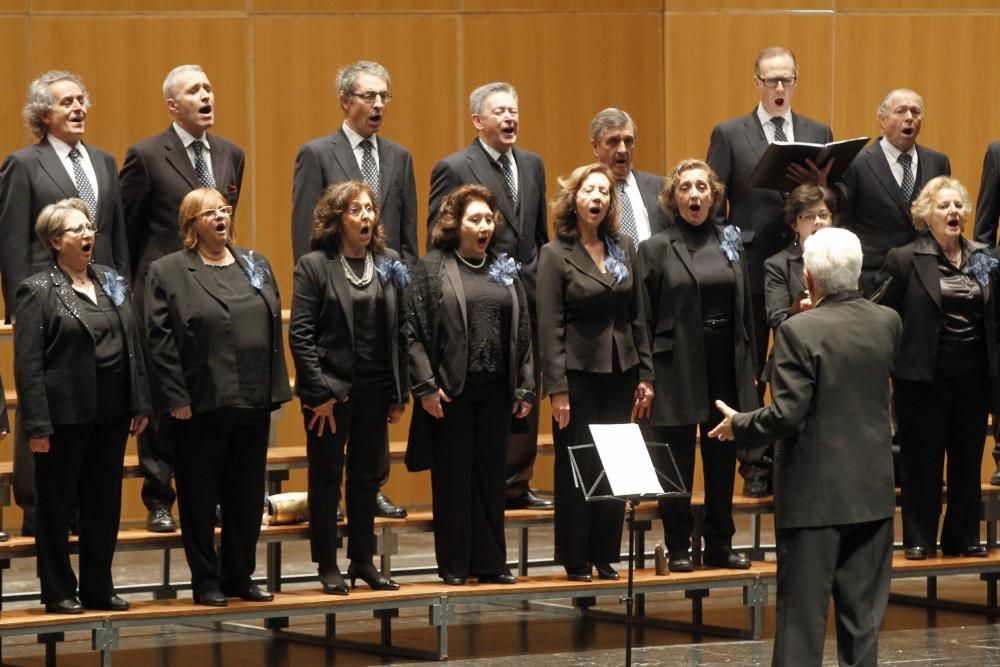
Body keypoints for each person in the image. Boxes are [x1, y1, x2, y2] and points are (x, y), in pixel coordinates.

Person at [710, 227, 901, 667]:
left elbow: (786, 415)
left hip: (814, 501)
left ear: (809, 279)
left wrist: (739, 424)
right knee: (862, 623)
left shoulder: (799, 330)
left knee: (801, 621)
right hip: (871, 493)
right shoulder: (887, 322)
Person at [145, 188, 292, 606]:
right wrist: (175, 395)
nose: (221, 218)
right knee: (199, 495)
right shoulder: (169, 270)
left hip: (253, 397)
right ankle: (205, 579)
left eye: (224, 211)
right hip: (200, 402)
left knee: (245, 495)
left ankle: (239, 575)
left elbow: (270, 319)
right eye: (210, 213)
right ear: (192, 224)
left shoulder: (255, 263)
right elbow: (158, 340)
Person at [0, 70, 130, 538]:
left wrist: (123, 300)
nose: (78, 108)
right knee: (46, 402)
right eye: (66, 102)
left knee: (95, 403)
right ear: (43, 115)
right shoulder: (24, 163)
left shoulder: (104, 161)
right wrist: (21, 308)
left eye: (82, 99)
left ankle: (82, 506)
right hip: (48, 305)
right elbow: (14, 242)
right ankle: (39, 507)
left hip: (102, 299)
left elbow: (114, 238)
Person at [120, 64, 246, 534]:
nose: (206, 96)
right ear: (173, 105)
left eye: (209, 88)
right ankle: (158, 497)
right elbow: (127, 229)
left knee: (207, 395)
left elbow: (225, 227)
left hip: (213, 293)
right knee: (162, 395)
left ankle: (205, 494)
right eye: (195, 91)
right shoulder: (147, 155)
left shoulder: (232, 153)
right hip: (160, 291)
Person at [291, 60, 417, 520]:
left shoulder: (400, 157)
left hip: (383, 292)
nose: (379, 104)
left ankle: (373, 488)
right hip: (335, 297)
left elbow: (404, 237)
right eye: (369, 96)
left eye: (384, 96)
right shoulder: (317, 153)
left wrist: (408, 294)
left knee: (375, 406)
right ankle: (336, 503)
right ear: (345, 101)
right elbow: (307, 231)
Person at [706, 47, 833, 498]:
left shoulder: (818, 131)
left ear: (796, 81)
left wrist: (821, 181)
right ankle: (754, 463)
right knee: (753, 367)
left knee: (805, 365)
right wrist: (730, 251)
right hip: (754, 267)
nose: (779, 88)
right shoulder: (729, 133)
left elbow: (833, 197)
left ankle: (797, 454)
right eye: (771, 80)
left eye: (786, 80)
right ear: (756, 83)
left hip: (810, 267)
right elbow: (714, 202)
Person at [14, 198, 151, 614]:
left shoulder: (110, 280)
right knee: (55, 508)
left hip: (111, 413)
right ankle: (57, 589)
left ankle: (98, 586)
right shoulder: (37, 291)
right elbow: (29, 364)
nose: (89, 234)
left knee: (103, 504)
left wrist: (140, 400)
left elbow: (133, 344)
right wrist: (37, 425)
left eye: (90, 227)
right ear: (56, 241)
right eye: (78, 229)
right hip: (64, 417)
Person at [428, 82, 551, 511]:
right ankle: (484, 484)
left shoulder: (533, 164)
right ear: (478, 120)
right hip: (475, 296)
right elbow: (439, 238)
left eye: (514, 110)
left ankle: (517, 482)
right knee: (487, 394)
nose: (509, 118)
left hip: (525, 296)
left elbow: (538, 235)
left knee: (524, 387)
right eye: (499, 111)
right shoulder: (454, 166)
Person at [407, 184, 534, 585]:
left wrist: (525, 387)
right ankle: (456, 565)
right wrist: (425, 386)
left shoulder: (503, 268)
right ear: (455, 224)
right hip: (451, 393)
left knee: (490, 479)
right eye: (474, 219)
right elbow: (411, 332)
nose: (484, 227)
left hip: (496, 391)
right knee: (454, 481)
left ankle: (491, 563)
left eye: (489, 220)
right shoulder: (433, 268)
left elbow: (524, 331)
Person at [636, 159, 758, 572]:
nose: (694, 195)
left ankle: (721, 543)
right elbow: (642, 316)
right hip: (677, 363)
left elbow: (746, 310)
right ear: (673, 199)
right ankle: (679, 546)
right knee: (676, 459)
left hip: (725, 359)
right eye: (685, 188)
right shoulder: (655, 248)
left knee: (723, 456)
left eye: (702, 187)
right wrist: (646, 374)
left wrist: (751, 367)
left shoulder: (730, 240)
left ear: (714, 195)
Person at [289, 181, 408, 595]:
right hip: (330, 393)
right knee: (326, 478)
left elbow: (401, 330)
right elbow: (301, 334)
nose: (366, 217)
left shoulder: (388, 262)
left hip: (375, 389)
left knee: (364, 480)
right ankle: (327, 563)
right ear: (337, 218)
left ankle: (362, 560)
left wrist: (399, 392)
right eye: (355, 210)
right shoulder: (315, 264)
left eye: (370, 209)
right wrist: (318, 394)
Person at [537, 163, 653, 581]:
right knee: (577, 463)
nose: (598, 199)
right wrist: (557, 388)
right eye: (590, 191)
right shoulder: (555, 254)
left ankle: (605, 554)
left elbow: (638, 313)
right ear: (574, 198)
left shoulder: (623, 247)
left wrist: (646, 374)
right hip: (577, 373)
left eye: (605, 192)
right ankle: (575, 556)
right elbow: (549, 325)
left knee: (613, 463)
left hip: (621, 369)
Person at [874, 176, 998, 561]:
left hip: (974, 378)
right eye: (944, 206)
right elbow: (879, 315)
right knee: (922, 463)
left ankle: (962, 535)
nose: (954, 212)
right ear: (926, 215)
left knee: (966, 458)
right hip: (922, 380)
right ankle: (919, 537)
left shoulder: (985, 258)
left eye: (958, 205)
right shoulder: (906, 258)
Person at [836, 88, 950, 296]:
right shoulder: (857, 163)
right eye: (901, 111)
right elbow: (844, 222)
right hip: (873, 278)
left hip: (925, 276)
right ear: (883, 119)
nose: (909, 118)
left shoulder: (938, 162)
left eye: (915, 112)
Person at [588, 108, 670, 247]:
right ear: (596, 147)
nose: (623, 149)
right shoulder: (582, 192)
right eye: (613, 141)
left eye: (628, 141)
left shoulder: (660, 187)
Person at [764, 185, 835, 331]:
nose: (818, 222)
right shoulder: (777, 265)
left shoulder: (845, 256)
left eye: (823, 215)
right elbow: (778, 320)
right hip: (801, 344)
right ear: (794, 225)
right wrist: (804, 308)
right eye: (809, 216)